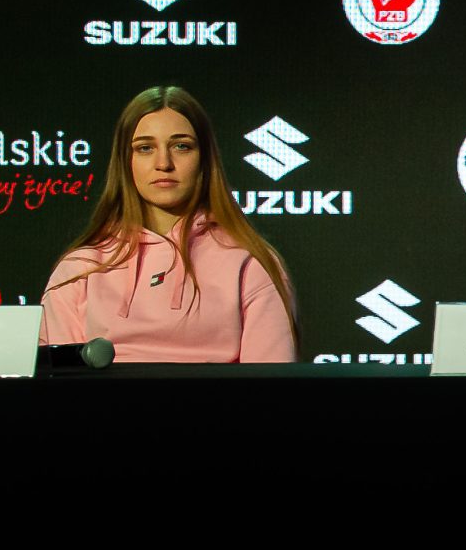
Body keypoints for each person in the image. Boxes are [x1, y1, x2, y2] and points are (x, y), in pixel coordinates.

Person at [41, 85, 297, 362]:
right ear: (126, 161)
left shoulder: (251, 263)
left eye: (181, 146)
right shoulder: (80, 269)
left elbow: (270, 381)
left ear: (204, 159)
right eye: (145, 148)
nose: (163, 163)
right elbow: (61, 380)